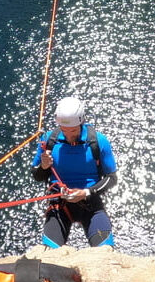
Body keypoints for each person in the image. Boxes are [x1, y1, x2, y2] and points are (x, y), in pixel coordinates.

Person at [30, 96, 117, 248]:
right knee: (50, 252)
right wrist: (44, 166)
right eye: (64, 131)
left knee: (105, 250)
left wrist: (86, 192)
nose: (70, 136)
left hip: (90, 201)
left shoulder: (98, 141)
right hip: (60, 203)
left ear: (82, 122)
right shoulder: (49, 140)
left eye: (74, 131)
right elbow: (37, 175)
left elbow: (112, 178)